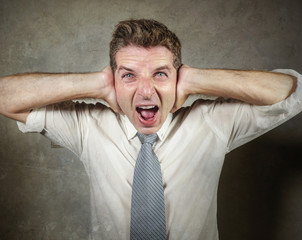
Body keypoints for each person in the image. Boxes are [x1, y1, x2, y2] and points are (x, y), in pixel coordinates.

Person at [0, 19, 301, 240]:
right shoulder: (88, 127)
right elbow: (5, 97)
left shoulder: (212, 122)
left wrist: (196, 79)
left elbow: (292, 93)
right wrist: (97, 84)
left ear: (177, 77)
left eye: (160, 74)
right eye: (129, 75)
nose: (146, 92)